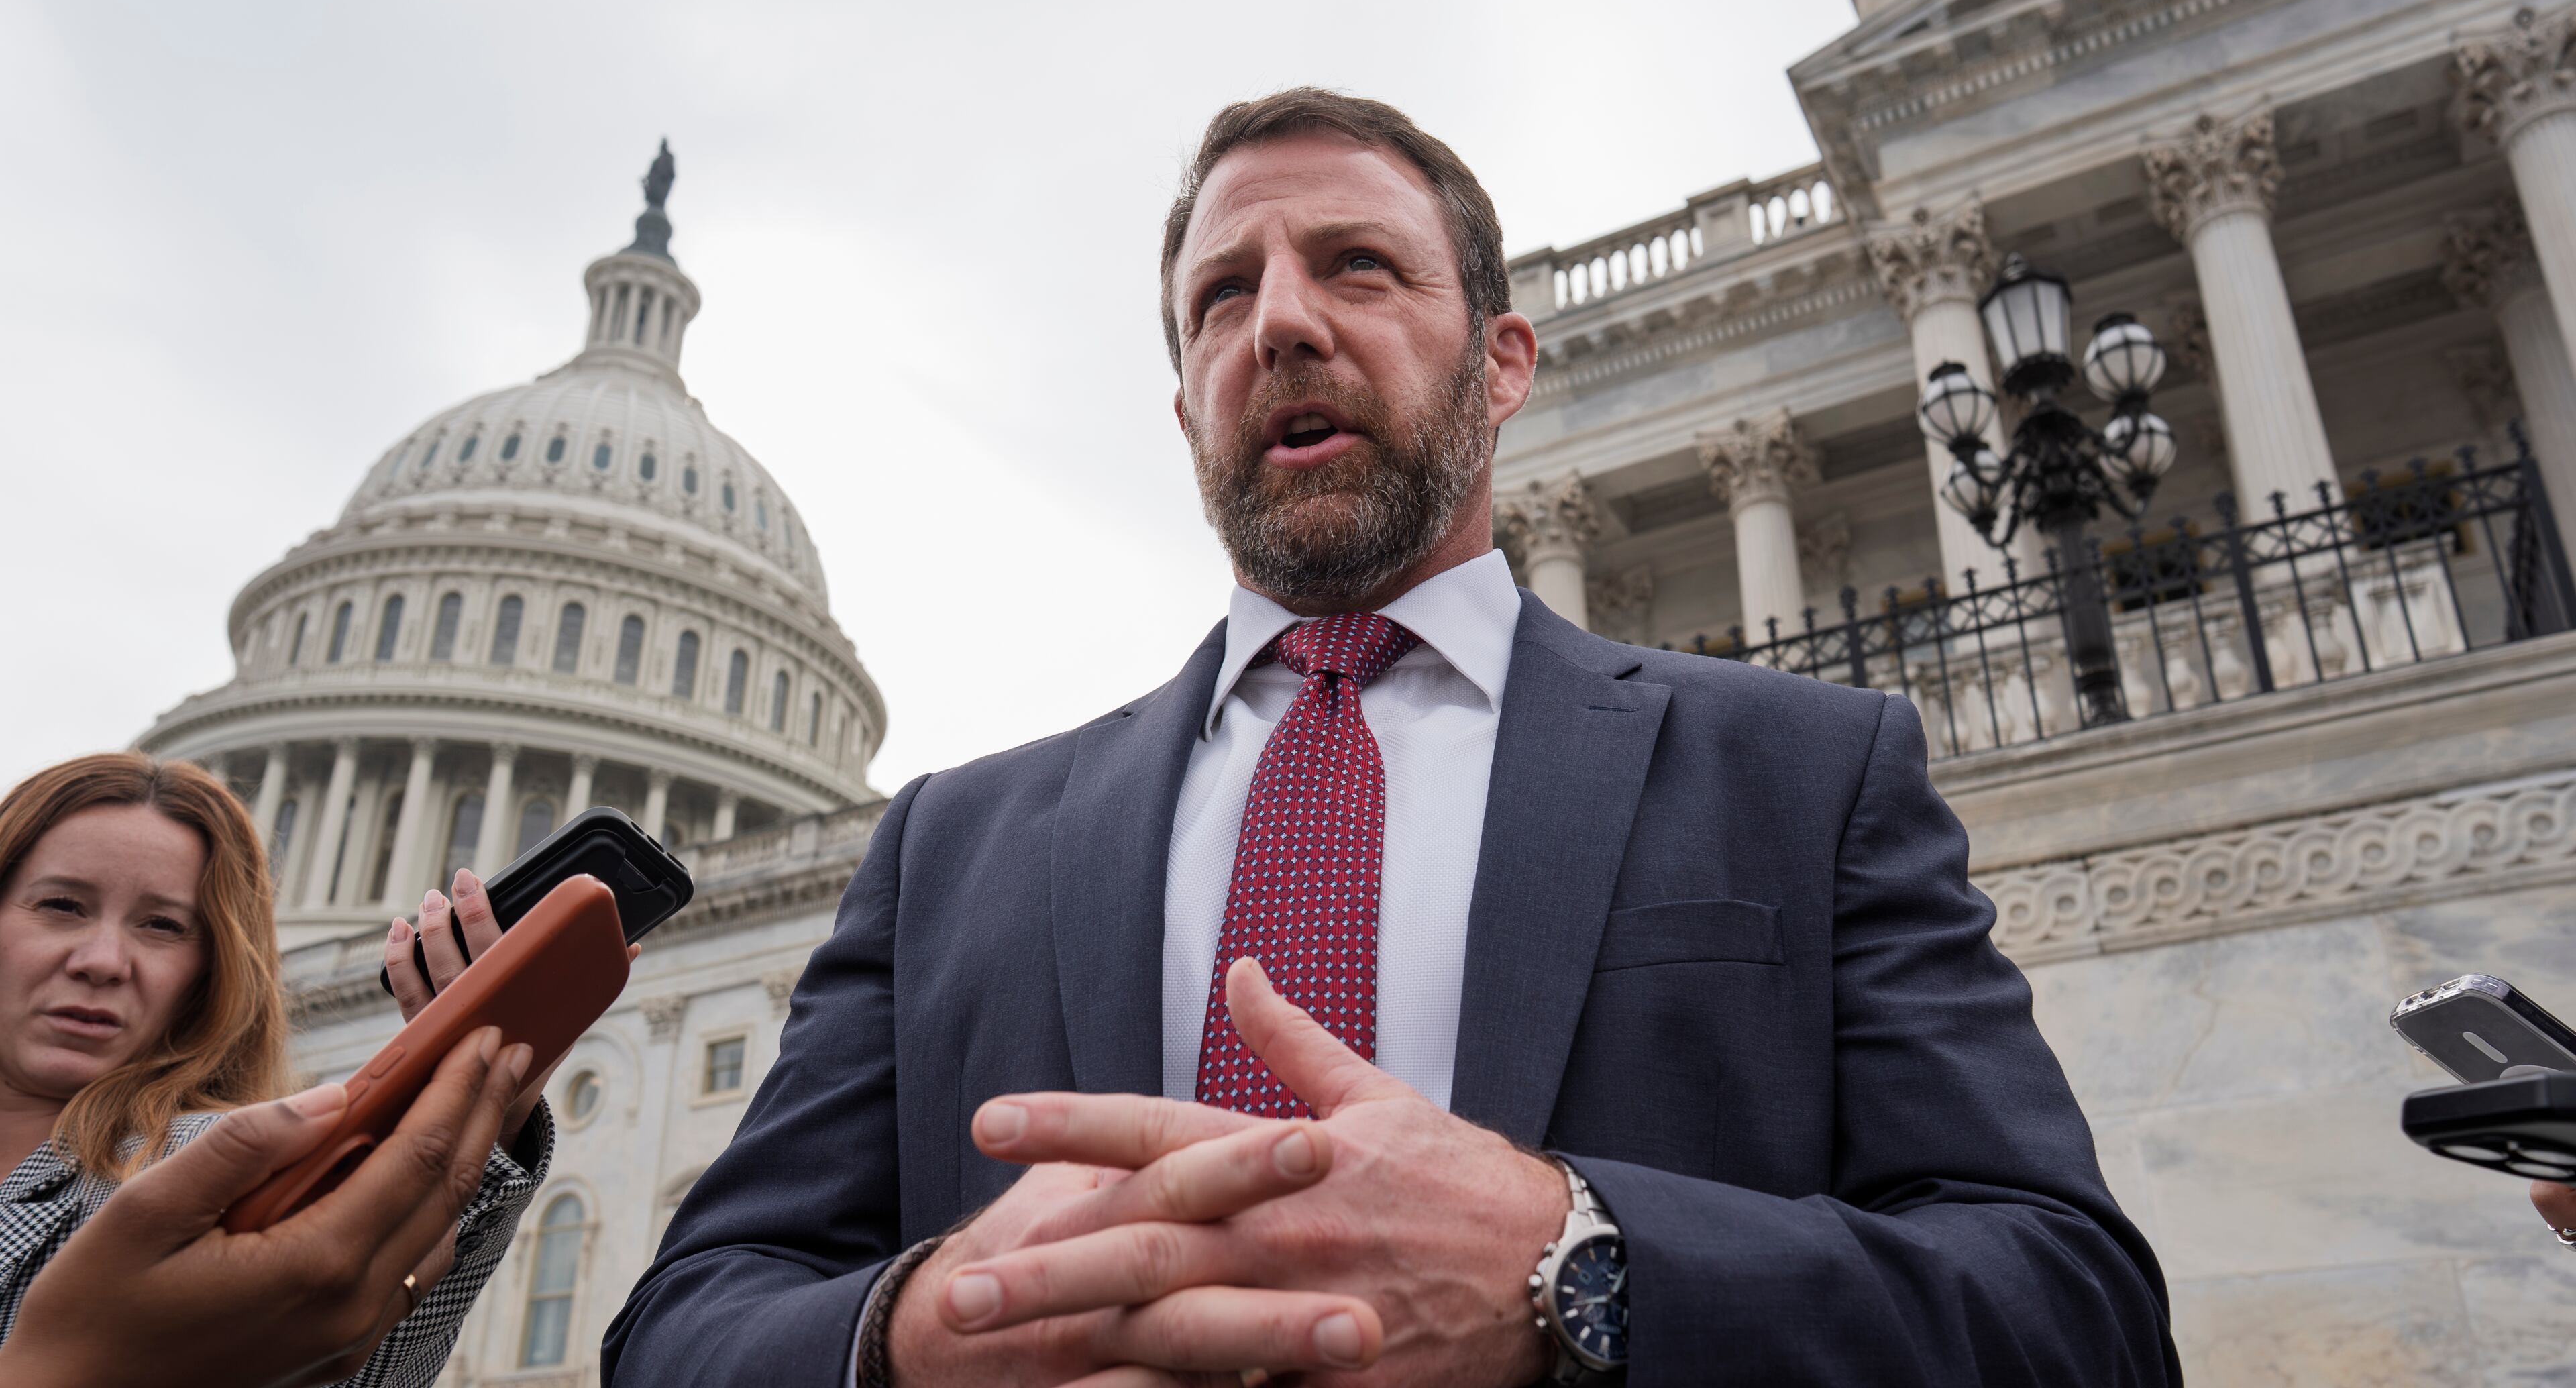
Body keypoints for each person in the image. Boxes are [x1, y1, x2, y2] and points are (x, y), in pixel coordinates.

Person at [605, 90, 2182, 1386]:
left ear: (1500, 366)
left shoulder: (1802, 773)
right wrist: (916, 1333)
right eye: (1220, 296)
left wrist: (1575, 1259)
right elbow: (680, 1329)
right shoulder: (950, 845)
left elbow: (2074, 1315)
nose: (1278, 321)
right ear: (1183, 413)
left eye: (1355, 265)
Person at [0, 753, 554, 1386]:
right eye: (63, 906)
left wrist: (485, 1114)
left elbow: (362, 1362)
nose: (102, 961)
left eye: (162, 925)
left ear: (210, 973)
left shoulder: (212, 1176)